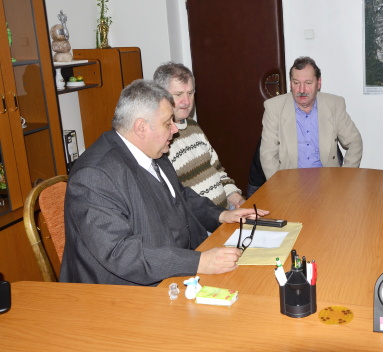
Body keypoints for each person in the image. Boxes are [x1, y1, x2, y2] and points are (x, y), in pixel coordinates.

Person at [60, 80, 268, 286]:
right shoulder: (94, 176)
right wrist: (199, 262)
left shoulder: (154, 151)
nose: (175, 129)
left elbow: (180, 196)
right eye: (168, 123)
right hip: (125, 291)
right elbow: (120, 253)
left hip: (175, 266)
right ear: (141, 128)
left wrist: (221, 215)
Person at [153, 62, 245, 209]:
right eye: (178, 95)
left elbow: (217, 169)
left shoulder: (193, 126)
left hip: (226, 209)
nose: (187, 101)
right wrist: (219, 216)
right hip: (204, 219)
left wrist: (237, 199)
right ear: (161, 95)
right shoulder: (158, 140)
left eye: (190, 93)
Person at [260, 56, 363, 179]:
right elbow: (267, 154)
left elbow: (354, 141)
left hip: (327, 180)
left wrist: (345, 176)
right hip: (290, 181)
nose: (301, 90)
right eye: (296, 83)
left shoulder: (334, 105)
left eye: (308, 83)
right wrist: (278, 185)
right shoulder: (274, 108)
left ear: (318, 83)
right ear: (290, 84)